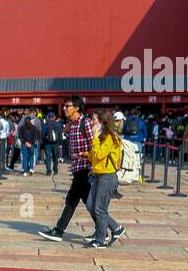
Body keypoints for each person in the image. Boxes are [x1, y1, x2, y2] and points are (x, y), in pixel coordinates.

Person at [39, 96, 96, 242]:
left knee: (72, 200)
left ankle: (58, 231)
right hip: (77, 168)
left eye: (67, 106)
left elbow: (94, 146)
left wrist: (92, 168)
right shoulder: (73, 125)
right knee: (85, 201)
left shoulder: (86, 123)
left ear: (76, 108)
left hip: (85, 169)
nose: (64, 108)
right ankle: (109, 228)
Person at [86, 110, 127, 249]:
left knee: (99, 209)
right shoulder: (103, 137)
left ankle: (101, 238)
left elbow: (100, 153)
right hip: (98, 175)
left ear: (102, 122)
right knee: (91, 205)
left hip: (107, 177)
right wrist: (86, 155)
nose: (92, 123)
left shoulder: (109, 137)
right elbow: (95, 156)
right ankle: (116, 228)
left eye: (94, 120)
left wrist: (94, 138)